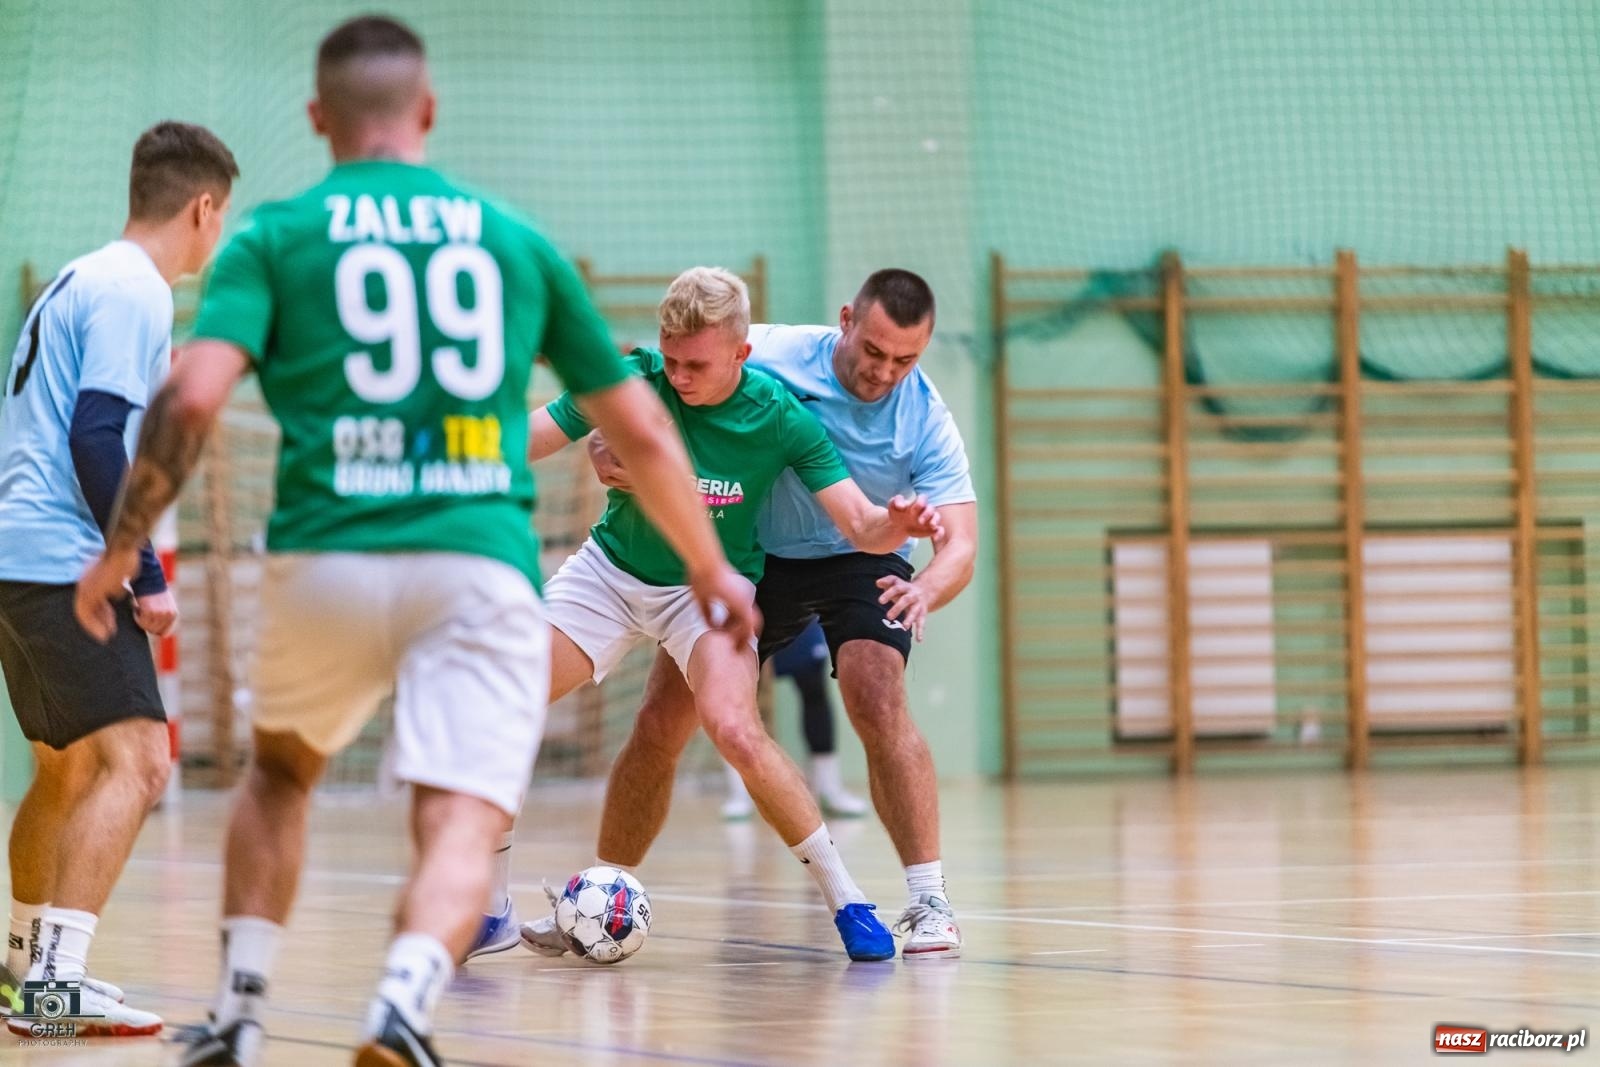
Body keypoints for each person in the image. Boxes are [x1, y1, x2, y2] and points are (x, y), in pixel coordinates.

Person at [74, 17, 752, 1067]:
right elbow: (647, 432)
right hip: (476, 562)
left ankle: (241, 1011)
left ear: (317, 117)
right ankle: (402, 997)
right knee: (461, 811)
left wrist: (124, 546)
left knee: (279, 775)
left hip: (325, 553)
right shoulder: (513, 241)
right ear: (428, 110)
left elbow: (190, 399)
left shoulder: (271, 238)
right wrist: (710, 568)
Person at [526, 269, 978, 959]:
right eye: (873, 351)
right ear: (846, 320)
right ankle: (598, 892)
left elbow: (931, 537)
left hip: (828, 557)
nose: (884, 371)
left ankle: (914, 898)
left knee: (859, 694)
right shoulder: (738, 354)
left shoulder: (887, 418)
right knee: (652, 722)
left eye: (904, 359)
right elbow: (652, 358)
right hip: (716, 560)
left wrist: (910, 552)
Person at [0, 121, 237, 1037]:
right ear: (203, 208)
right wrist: (140, 569)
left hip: (16, 558)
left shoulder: (78, 277)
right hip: (64, 561)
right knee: (141, 760)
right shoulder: (136, 289)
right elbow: (97, 434)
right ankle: (57, 984)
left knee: (63, 771)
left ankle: (20, 967)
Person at [721, 620, 868, 821]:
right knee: (738, 696)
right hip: (747, 613)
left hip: (799, 614)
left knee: (814, 687)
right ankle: (740, 793)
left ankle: (829, 788)